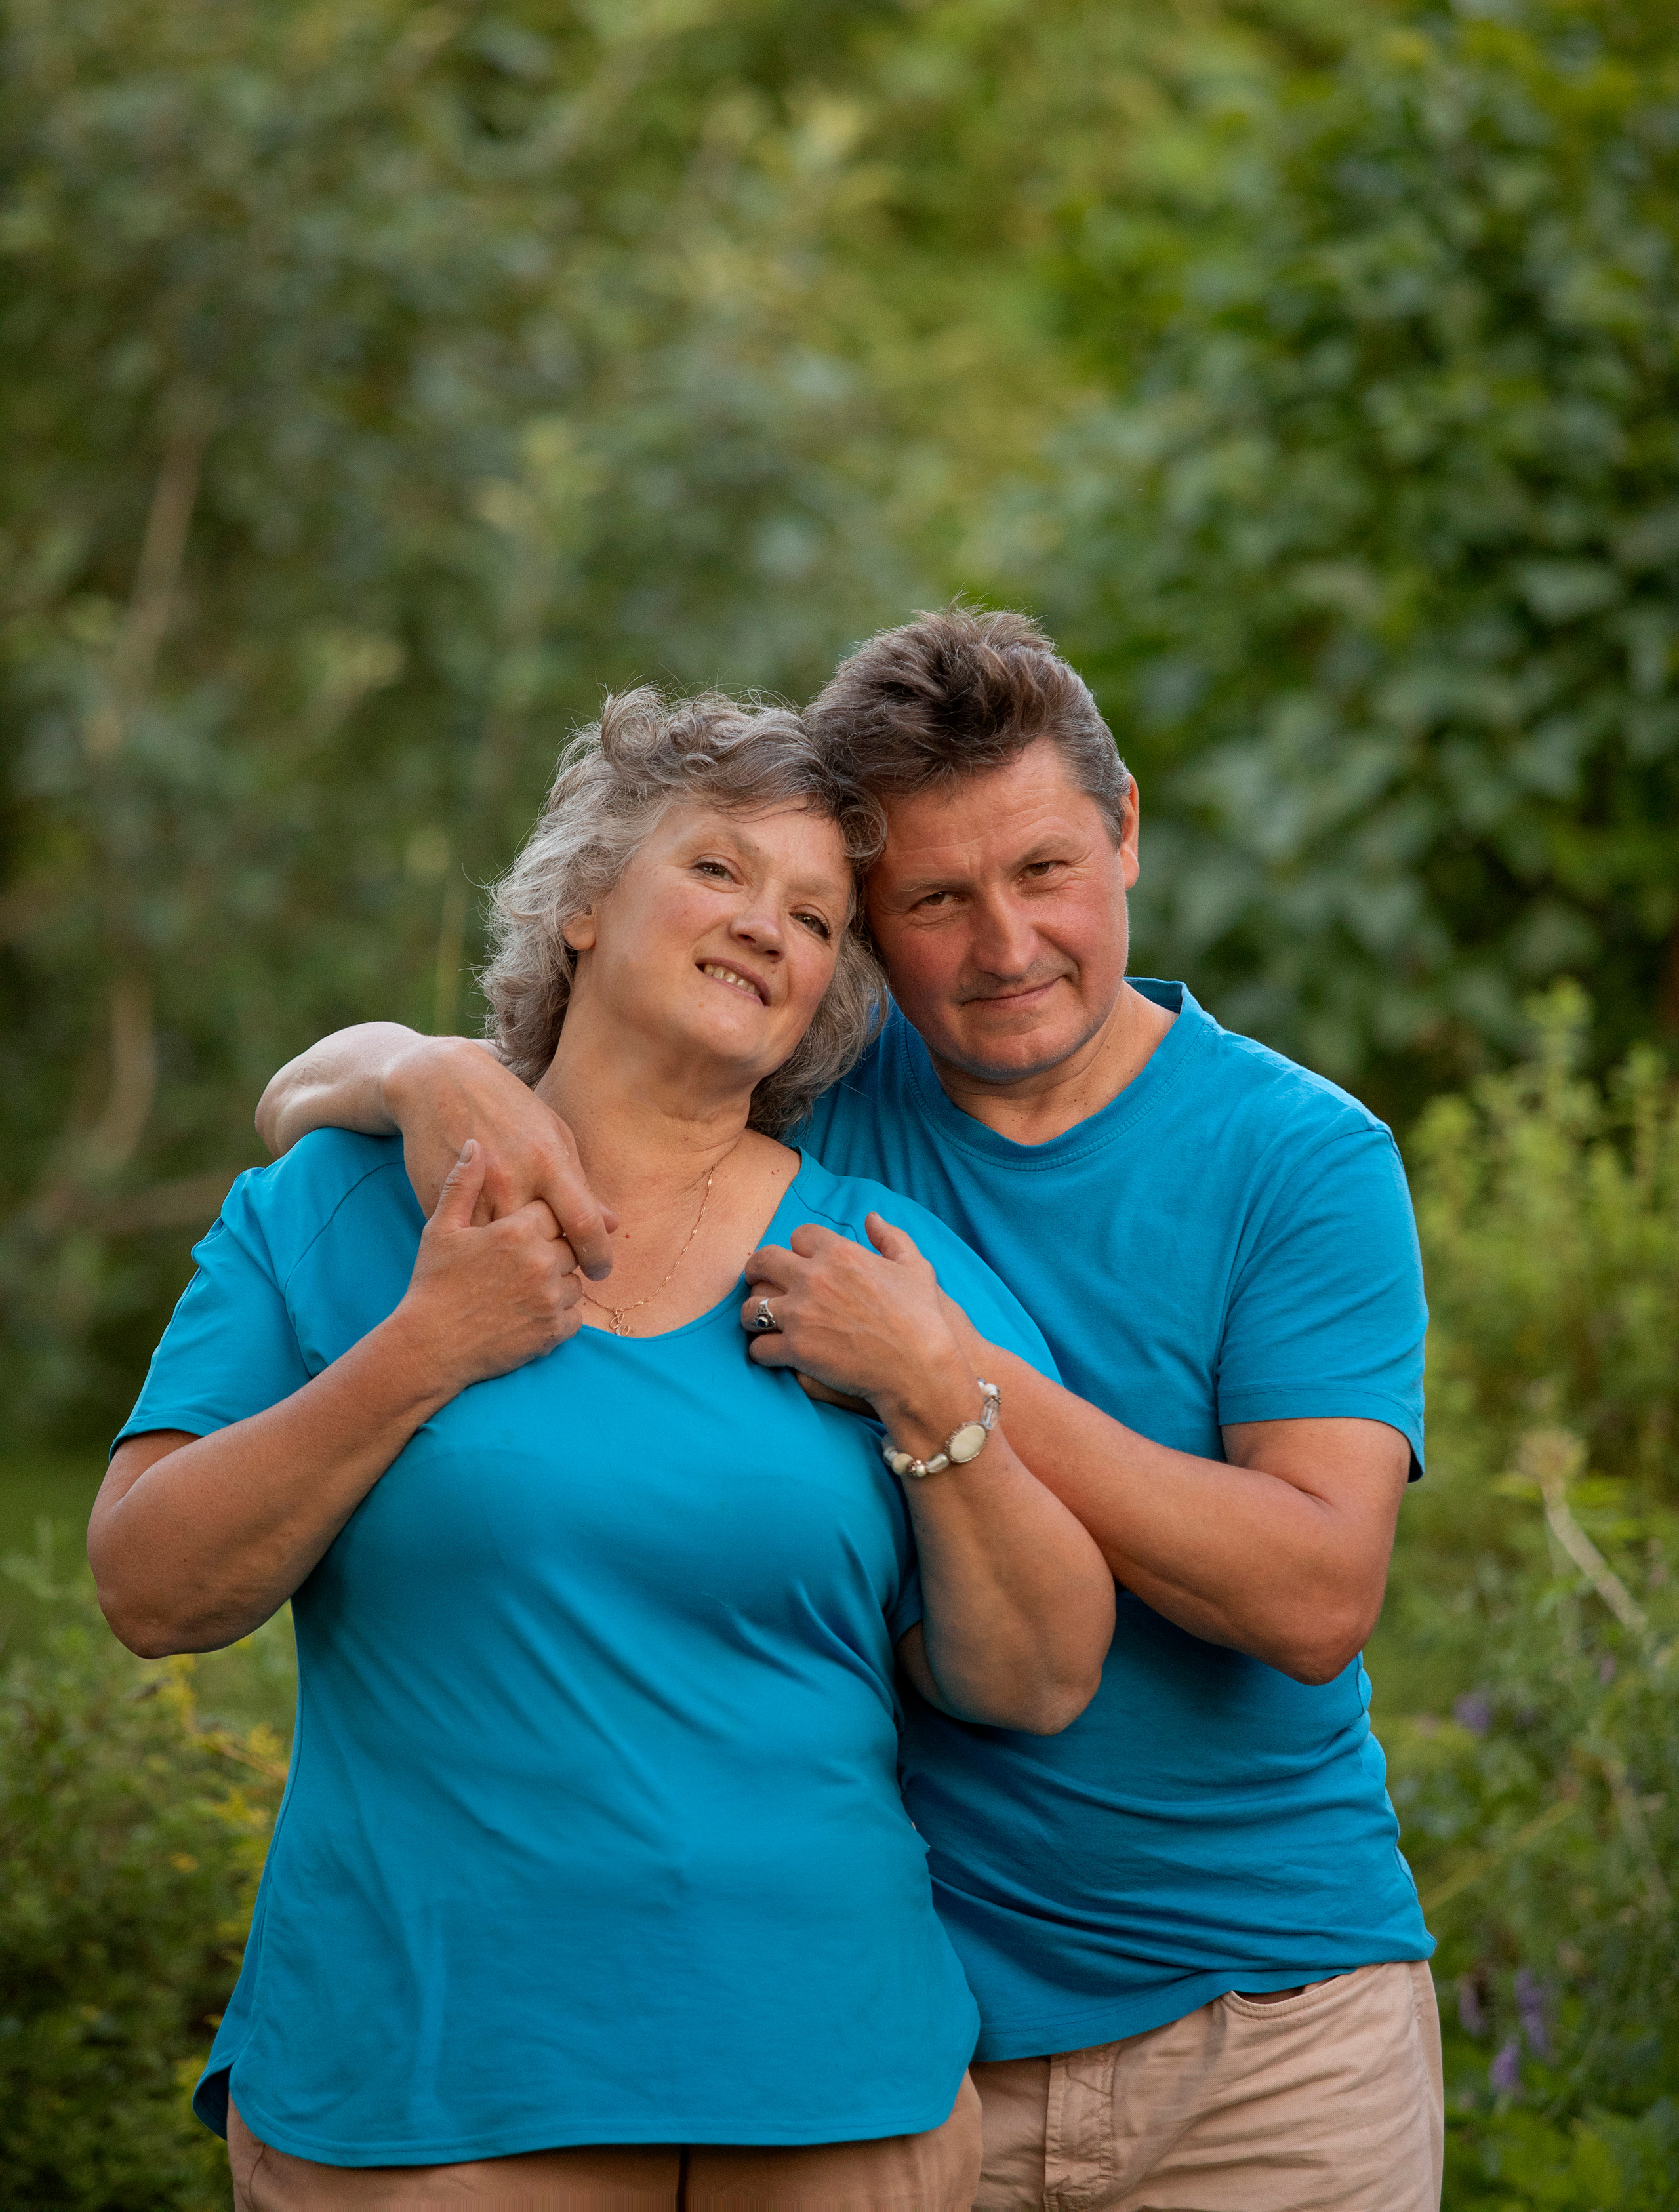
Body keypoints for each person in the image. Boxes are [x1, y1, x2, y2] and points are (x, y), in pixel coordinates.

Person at [258, 609, 1445, 2212]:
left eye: (1042, 873)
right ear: (870, 936)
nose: (1005, 946)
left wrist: (953, 1372)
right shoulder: (811, 1085)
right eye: (935, 902)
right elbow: (347, 1091)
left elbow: (1314, 1596)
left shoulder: (1299, 1159)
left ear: (1126, 832)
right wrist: (416, 1069)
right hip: (902, 2042)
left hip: (1254, 2030)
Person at [90, 688, 1116, 2212]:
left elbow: (1035, 1676)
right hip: (437, 2097)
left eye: (816, 915)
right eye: (716, 871)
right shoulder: (332, 1210)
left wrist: (935, 1403)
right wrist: (425, 1346)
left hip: (835, 2088)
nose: (767, 926)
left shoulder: (883, 1263)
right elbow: (150, 1589)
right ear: (580, 901)